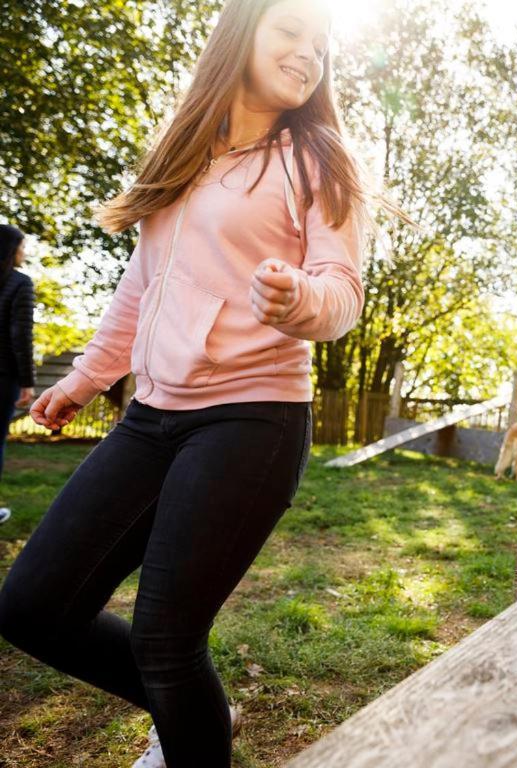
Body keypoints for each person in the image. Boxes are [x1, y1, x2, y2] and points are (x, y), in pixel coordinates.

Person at [0, 1, 378, 765]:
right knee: (31, 605)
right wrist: (84, 379)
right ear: (242, 36)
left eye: (321, 45)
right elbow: (142, 285)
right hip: (152, 416)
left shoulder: (319, 158)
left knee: (166, 638)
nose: (309, 55)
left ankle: (188, 726)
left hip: (254, 417)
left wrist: (298, 299)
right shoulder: (184, 154)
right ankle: (197, 714)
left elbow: (341, 291)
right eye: (290, 34)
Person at [0, 224, 37, 524]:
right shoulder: (20, 283)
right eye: (22, 246)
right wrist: (27, 382)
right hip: (4, 377)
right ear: (11, 250)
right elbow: (20, 335)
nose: (24, 252)